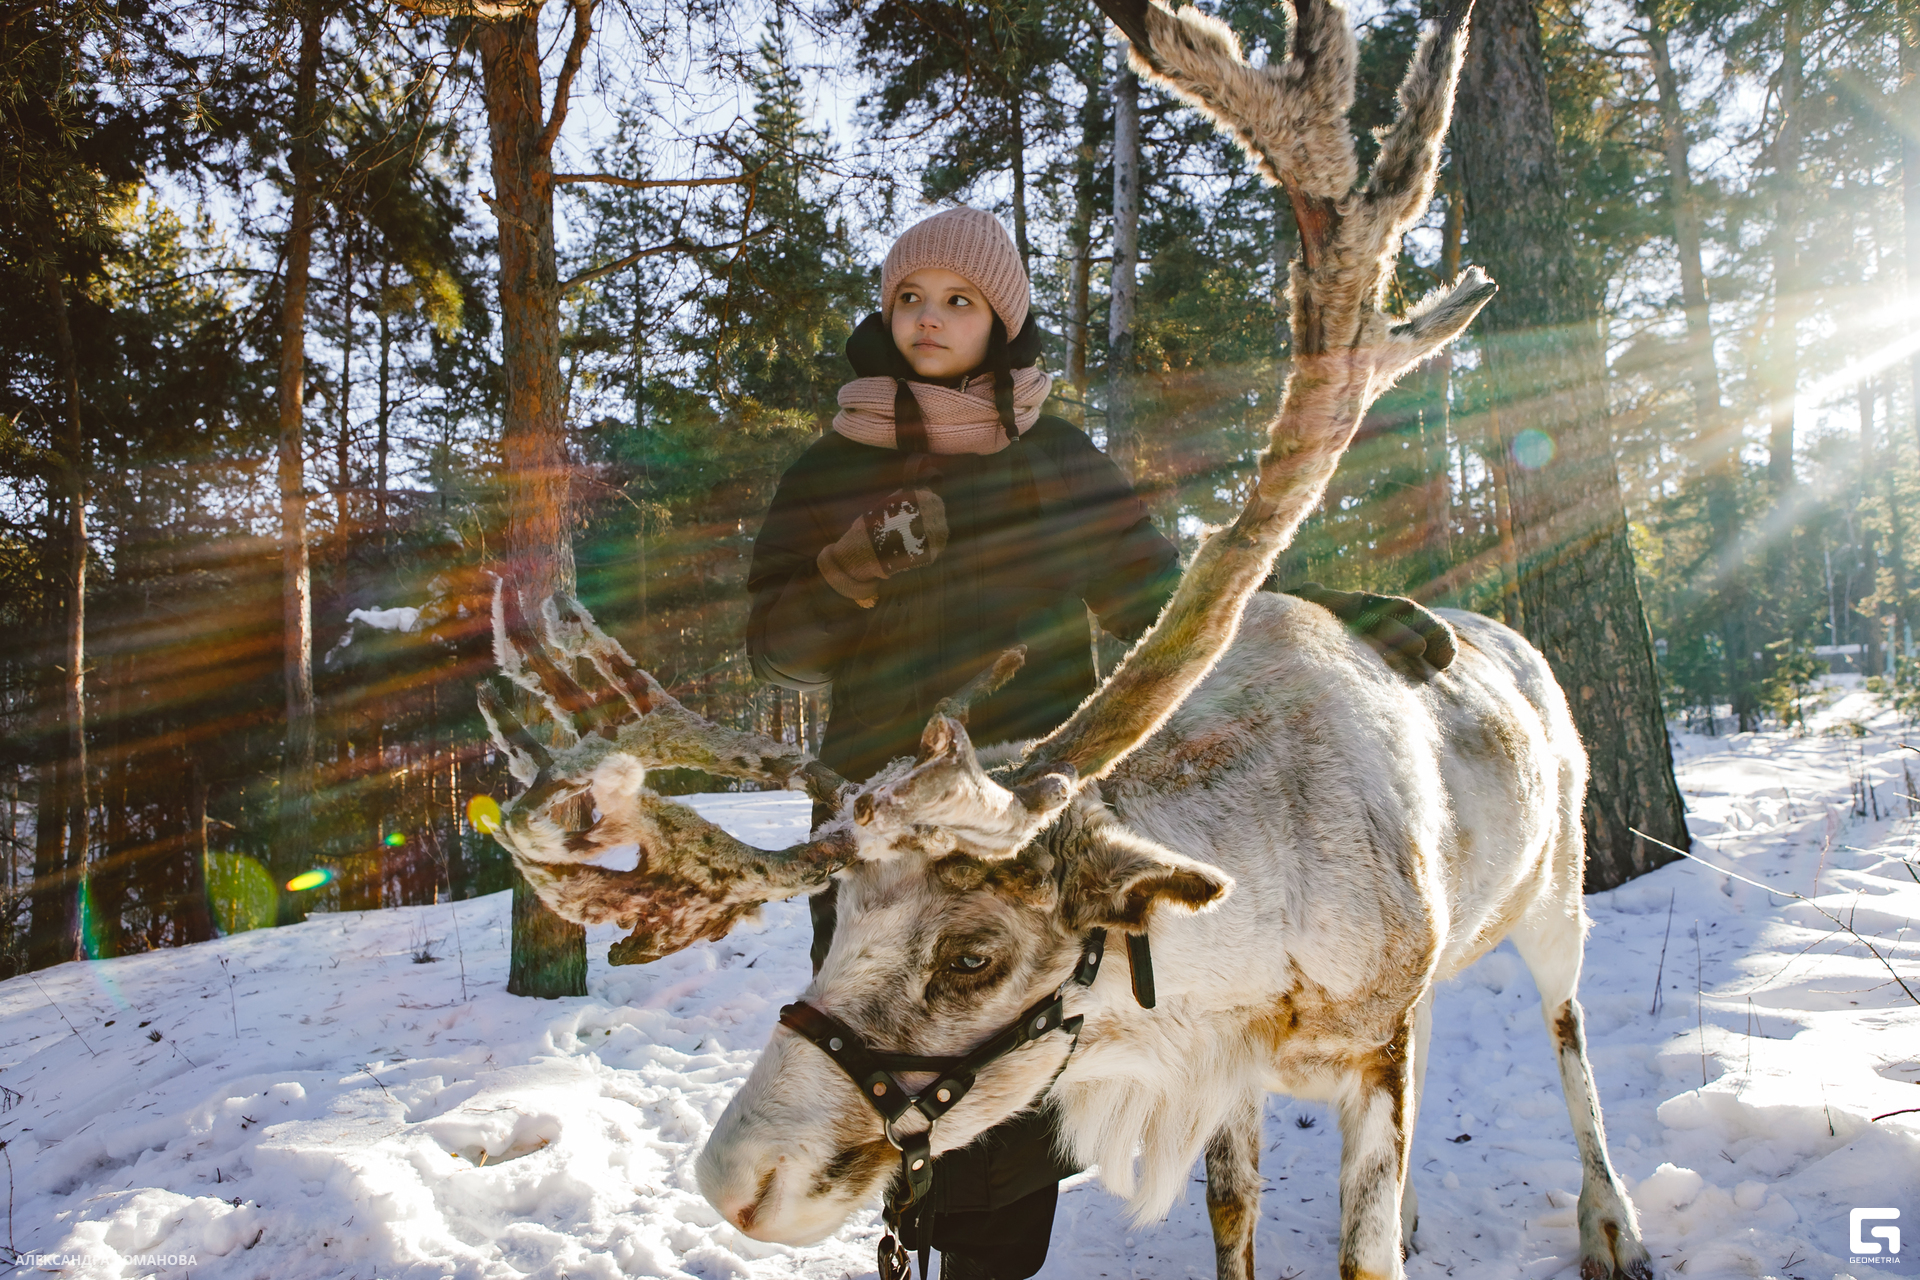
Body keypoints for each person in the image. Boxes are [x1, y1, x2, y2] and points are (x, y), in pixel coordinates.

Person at [745, 206, 1457, 1279]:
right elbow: (777, 654)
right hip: (880, 818)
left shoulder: (1056, 462)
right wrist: (853, 566)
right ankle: (910, 1238)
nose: (929, 318)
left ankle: (987, 1264)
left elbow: (1167, 605)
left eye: (957, 300)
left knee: (1011, 1045)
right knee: (881, 1042)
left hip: (1028, 814)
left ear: (1002, 320)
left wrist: (1327, 610)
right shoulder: (828, 468)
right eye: (909, 298)